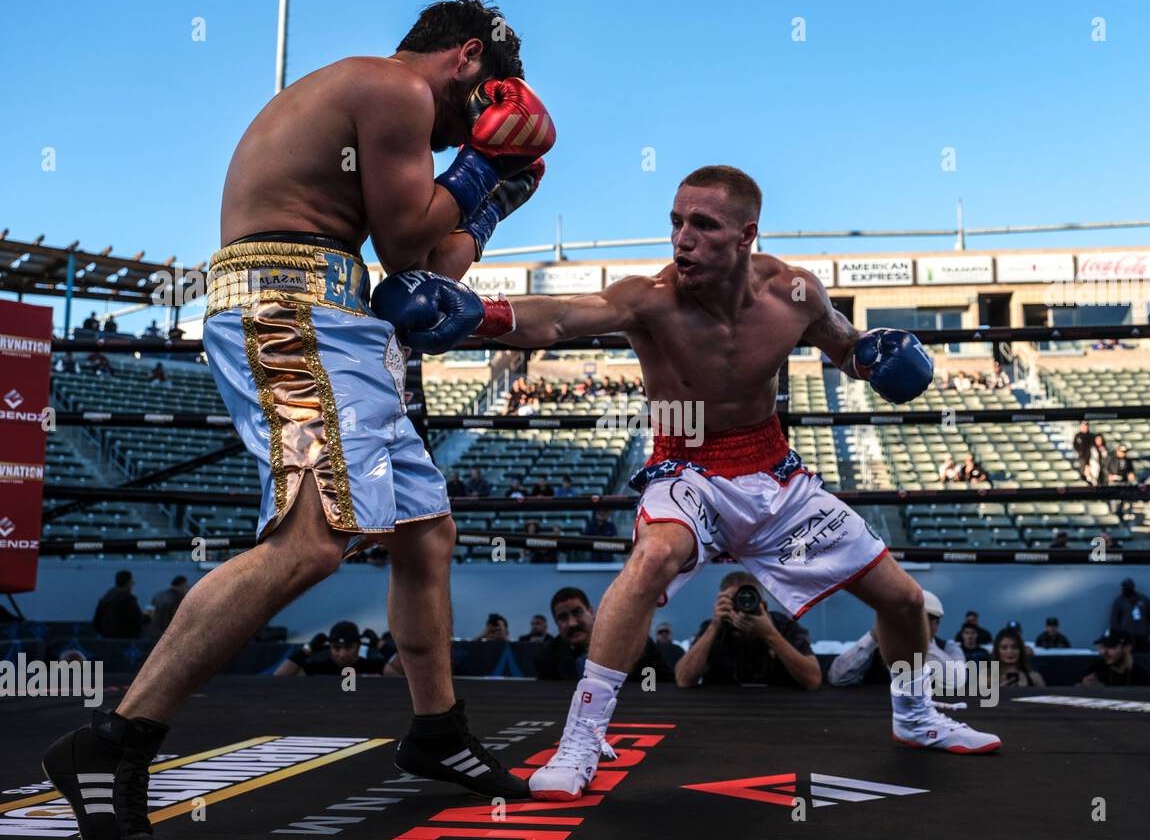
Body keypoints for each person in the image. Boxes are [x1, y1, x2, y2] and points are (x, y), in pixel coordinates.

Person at [43, 0, 554, 840]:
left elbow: (436, 263)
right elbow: (405, 248)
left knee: (426, 532)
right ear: (468, 59)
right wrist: (477, 167)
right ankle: (112, 742)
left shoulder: (389, 109)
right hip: (289, 312)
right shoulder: (394, 89)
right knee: (313, 540)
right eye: (493, 95)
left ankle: (437, 731)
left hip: (336, 320)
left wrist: (490, 198)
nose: (490, 114)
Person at [402, 164, 999, 799]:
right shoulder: (652, 298)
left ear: (747, 236)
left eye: (703, 225)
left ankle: (916, 717)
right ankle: (580, 737)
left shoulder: (794, 292)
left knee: (904, 602)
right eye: (676, 222)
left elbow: (845, 347)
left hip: (774, 472)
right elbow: (560, 318)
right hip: (685, 464)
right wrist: (480, 313)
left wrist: (875, 355)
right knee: (655, 554)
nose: (682, 239)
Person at [675, 573, 822, 689]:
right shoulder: (714, 628)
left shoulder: (783, 626)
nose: (743, 605)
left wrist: (770, 635)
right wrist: (715, 625)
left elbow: (813, 680)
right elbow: (683, 680)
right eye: (735, 601)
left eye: (750, 600)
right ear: (721, 602)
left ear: (763, 604)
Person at [830, 589, 966, 692]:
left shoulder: (949, 647)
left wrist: (920, 642)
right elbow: (838, 678)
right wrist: (874, 636)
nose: (911, 624)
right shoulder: (878, 647)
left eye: (920, 619)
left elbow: (957, 681)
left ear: (936, 625)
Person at [534, 587, 673, 684]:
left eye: (577, 612)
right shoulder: (546, 658)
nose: (572, 623)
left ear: (591, 612)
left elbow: (657, 685)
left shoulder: (634, 642)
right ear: (556, 624)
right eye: (563, 618)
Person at [275, 620, 395, 676]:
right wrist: (307, 650)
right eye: (336, 648)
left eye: (348, 648)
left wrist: (381, 645)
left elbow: (403, 674)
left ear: (358, 646)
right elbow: (280, 677)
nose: (342, 654)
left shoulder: (375, 667)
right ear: (330, 648)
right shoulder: (317, 668)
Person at [1079, 628, 1150, 686]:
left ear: (1127, 648)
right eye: (1102, 647)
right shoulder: (1097, 668)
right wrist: (1084, 687)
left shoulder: (1142, 675)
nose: (1103, 652)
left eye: (1110, 647)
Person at [91, 570, 147, 639]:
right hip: (125, 641)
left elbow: (96, 622)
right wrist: (148, 617)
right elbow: (137, 618)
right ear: (128, 583)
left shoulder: (106, 598)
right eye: (132, 582)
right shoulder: (128, 599)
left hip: (106, 639)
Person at [1109, 578, 1150, 653]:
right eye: (1125, 586)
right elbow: (1114, 619)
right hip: (1126, 636)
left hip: (1143, 634)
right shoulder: (1119, 601)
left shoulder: (1144, 599)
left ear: (1133, 587)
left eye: (1129, 586)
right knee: (1128, 656)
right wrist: (1117, 634)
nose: (1127, 588)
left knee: (1144, 656)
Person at [1103, 443, 1137, 523]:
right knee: (1114, 500)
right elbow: (1105, 469)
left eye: (1125, 452)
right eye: (1122, 451)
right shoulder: (1111, 459)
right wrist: (1110, 476)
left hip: (1124, 482)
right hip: (1114, 482)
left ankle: (1120, 514)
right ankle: (1114, 515)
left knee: (1123, 500)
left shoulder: (1128, 461)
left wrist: (1131, 475)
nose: (1123, 453)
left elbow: (1131, 470)